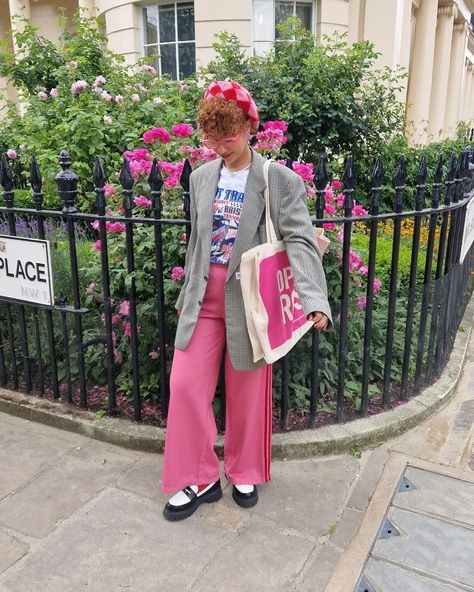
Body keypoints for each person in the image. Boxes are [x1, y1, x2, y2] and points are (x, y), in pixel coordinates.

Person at [161, 80, 332, 521]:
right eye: (210, 137)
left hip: (252, 303)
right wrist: (186, 295)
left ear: (248, 127)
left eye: (228, 136)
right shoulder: (200, 178)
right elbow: (197, 244)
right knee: (184, 387)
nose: (219, 145)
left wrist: (315, 299)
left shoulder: (278, 180)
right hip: (203, 300)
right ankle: (199, 476)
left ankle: (244, 469)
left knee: (248, 392)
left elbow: (299, 238)